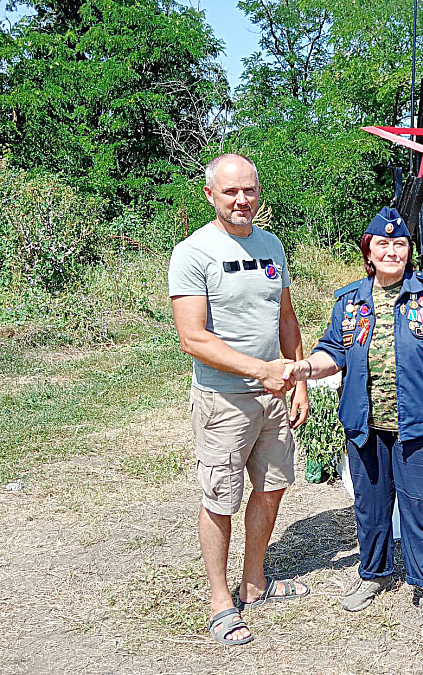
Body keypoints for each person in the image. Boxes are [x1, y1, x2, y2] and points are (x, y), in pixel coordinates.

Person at [282, 207, 423, 644]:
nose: (392, 250)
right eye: (382, 244)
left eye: (400, 244)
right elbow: (332, 351)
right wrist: (303, 370)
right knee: (370, 508)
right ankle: (374, 572)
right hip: (366, 426)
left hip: (421, 426)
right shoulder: (350, 301)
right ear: (368, 251)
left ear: (410, 251)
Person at [168, 153, 310, 647]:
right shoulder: (193, 252)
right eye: (230, 191)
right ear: (210, 194)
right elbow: (193, 338)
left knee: (272, 488)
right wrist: (261, 372)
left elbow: (285, 319)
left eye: (248, 189)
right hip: (224, 400)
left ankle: (254, 583)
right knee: (220, 500)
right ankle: (220, 602)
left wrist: (299, 379)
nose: (241, 199)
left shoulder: (271, 246)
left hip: (275, 396)